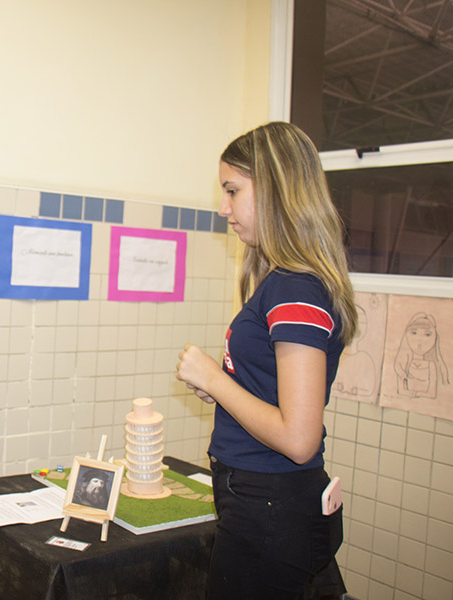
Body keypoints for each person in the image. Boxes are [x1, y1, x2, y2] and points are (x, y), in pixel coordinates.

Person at [175, 121, 356, 600]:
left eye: (233, 190)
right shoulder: (281, 282)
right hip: (261, 498)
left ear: (275, 189)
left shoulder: (296, 289)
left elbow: (298, 439)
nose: (224, 208)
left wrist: (216, 380)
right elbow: (273, 396)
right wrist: (224, 385)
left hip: (271, 503)